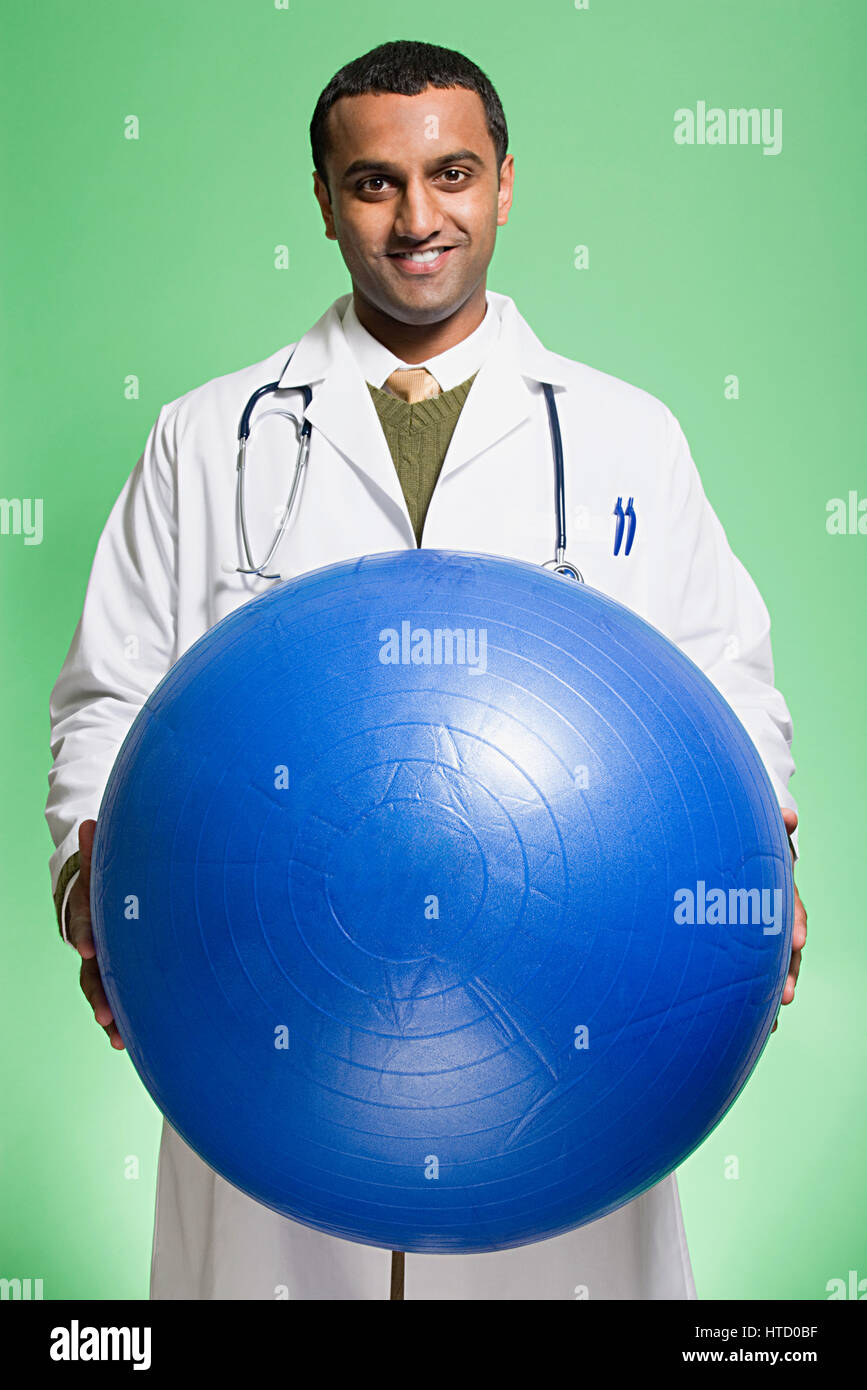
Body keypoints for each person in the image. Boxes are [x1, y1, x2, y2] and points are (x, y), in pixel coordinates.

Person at [45, 39, 807, 1301]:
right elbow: (110, 698)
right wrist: (93, 885)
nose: (417, 219)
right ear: (324, 198)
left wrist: (756, 879)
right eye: (373, 183)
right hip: (272, 1006)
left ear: (506, 184)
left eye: (451, 174)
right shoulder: (203, 438)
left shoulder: (625, 434)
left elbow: (726, 692)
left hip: (567, 1027)